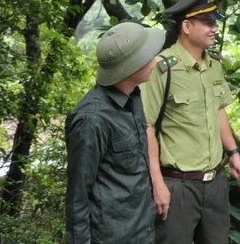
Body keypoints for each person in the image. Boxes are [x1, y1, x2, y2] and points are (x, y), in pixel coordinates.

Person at [141, 0, 240, 244]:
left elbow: (218, 109)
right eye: (207, 23)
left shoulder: (214, 65)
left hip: (215, 184)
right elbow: (146, 126)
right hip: (178, 185)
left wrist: (233, 153)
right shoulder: (162, 69)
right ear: (187, 27)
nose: (214, 29)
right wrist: (157, 184)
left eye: (215, 23)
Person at [65, 21, 165, 243]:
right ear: (131, 67)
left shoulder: (133, 98)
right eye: (148, 56)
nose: (156, 60)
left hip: (142, 230)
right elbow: (78, 196)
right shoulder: (92, 119)